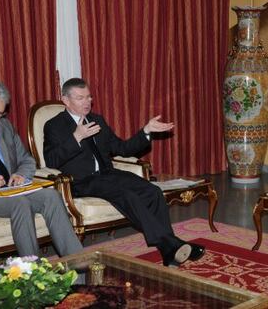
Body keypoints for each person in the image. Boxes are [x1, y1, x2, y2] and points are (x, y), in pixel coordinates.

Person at [43, 78, 205, 267]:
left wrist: (145, 131)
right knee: (127, 195)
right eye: (80, 98)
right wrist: (77, 137)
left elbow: (122, 148)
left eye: (89, 97)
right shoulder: (54, 125)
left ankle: (168, 251)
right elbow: (51, 161)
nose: (87, 102)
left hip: (107, 174)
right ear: (65, 100)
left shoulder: (97, 120)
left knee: (152, 191)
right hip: (81, 181)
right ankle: (172, 244)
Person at [0, 79, 83, 257]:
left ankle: (77, 263)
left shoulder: (4, 126)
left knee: (51, 196)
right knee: (20, 203)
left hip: (8, 190)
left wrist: (21, 174)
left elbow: (26, 159)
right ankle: (32, 273)